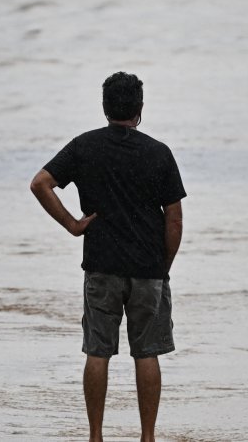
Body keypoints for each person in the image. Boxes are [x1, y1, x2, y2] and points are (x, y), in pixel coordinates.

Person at [30, 71, 186, 442]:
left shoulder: (85, 147)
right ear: (140, 109)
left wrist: (71, 223)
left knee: (98, 352)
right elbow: (175, 217)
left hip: (101, 266)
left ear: (104, 107)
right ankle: (147, 437)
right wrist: (164, 266)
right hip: (148, 268)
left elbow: (40, 183)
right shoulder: (158, 152)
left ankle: (96, 436)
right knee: (147, 354)